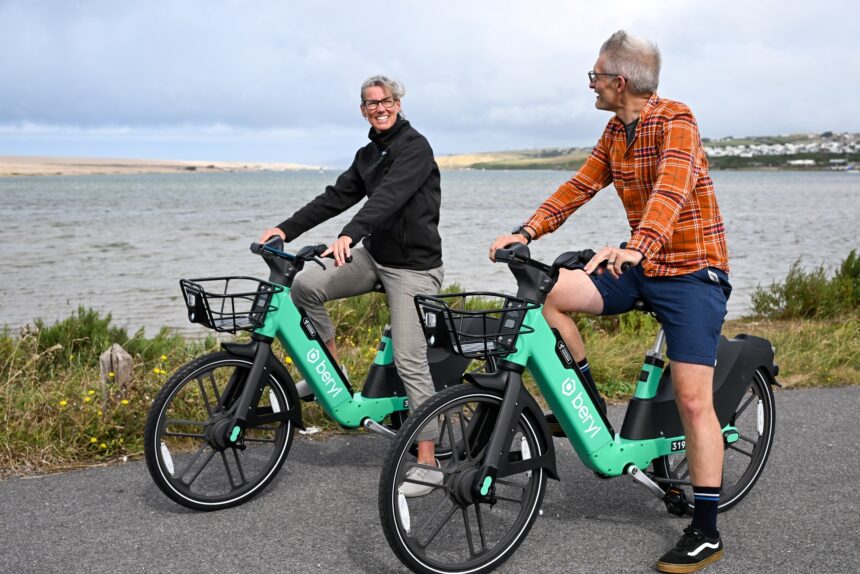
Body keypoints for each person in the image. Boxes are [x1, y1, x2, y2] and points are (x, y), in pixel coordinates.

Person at [489, 31, 732, 573]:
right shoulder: (614, 129)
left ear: (619, 82)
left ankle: (706, 531)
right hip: (639, 266)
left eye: (594, 77)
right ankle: (588, 408)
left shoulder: (677, 121)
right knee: (546, 291)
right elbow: (580, 186)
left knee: (695, 402)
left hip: (694, 273)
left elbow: (670, 194)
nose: (590, 85)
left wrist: (633, 248)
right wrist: (526, 232)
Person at [259, 75, 444, 497]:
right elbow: (335, 195)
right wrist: (284, 230)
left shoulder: (415, 147)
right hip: (375, 257)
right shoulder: (369, 154)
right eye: (370, 103)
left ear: (399, 103)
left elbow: (390, 198)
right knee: (306, 286)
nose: (379, 108)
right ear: (362, 109)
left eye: (386, 101)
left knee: (411, 359)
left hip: (414, 267)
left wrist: (350, 233)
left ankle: (429, 462)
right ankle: (332, 370)